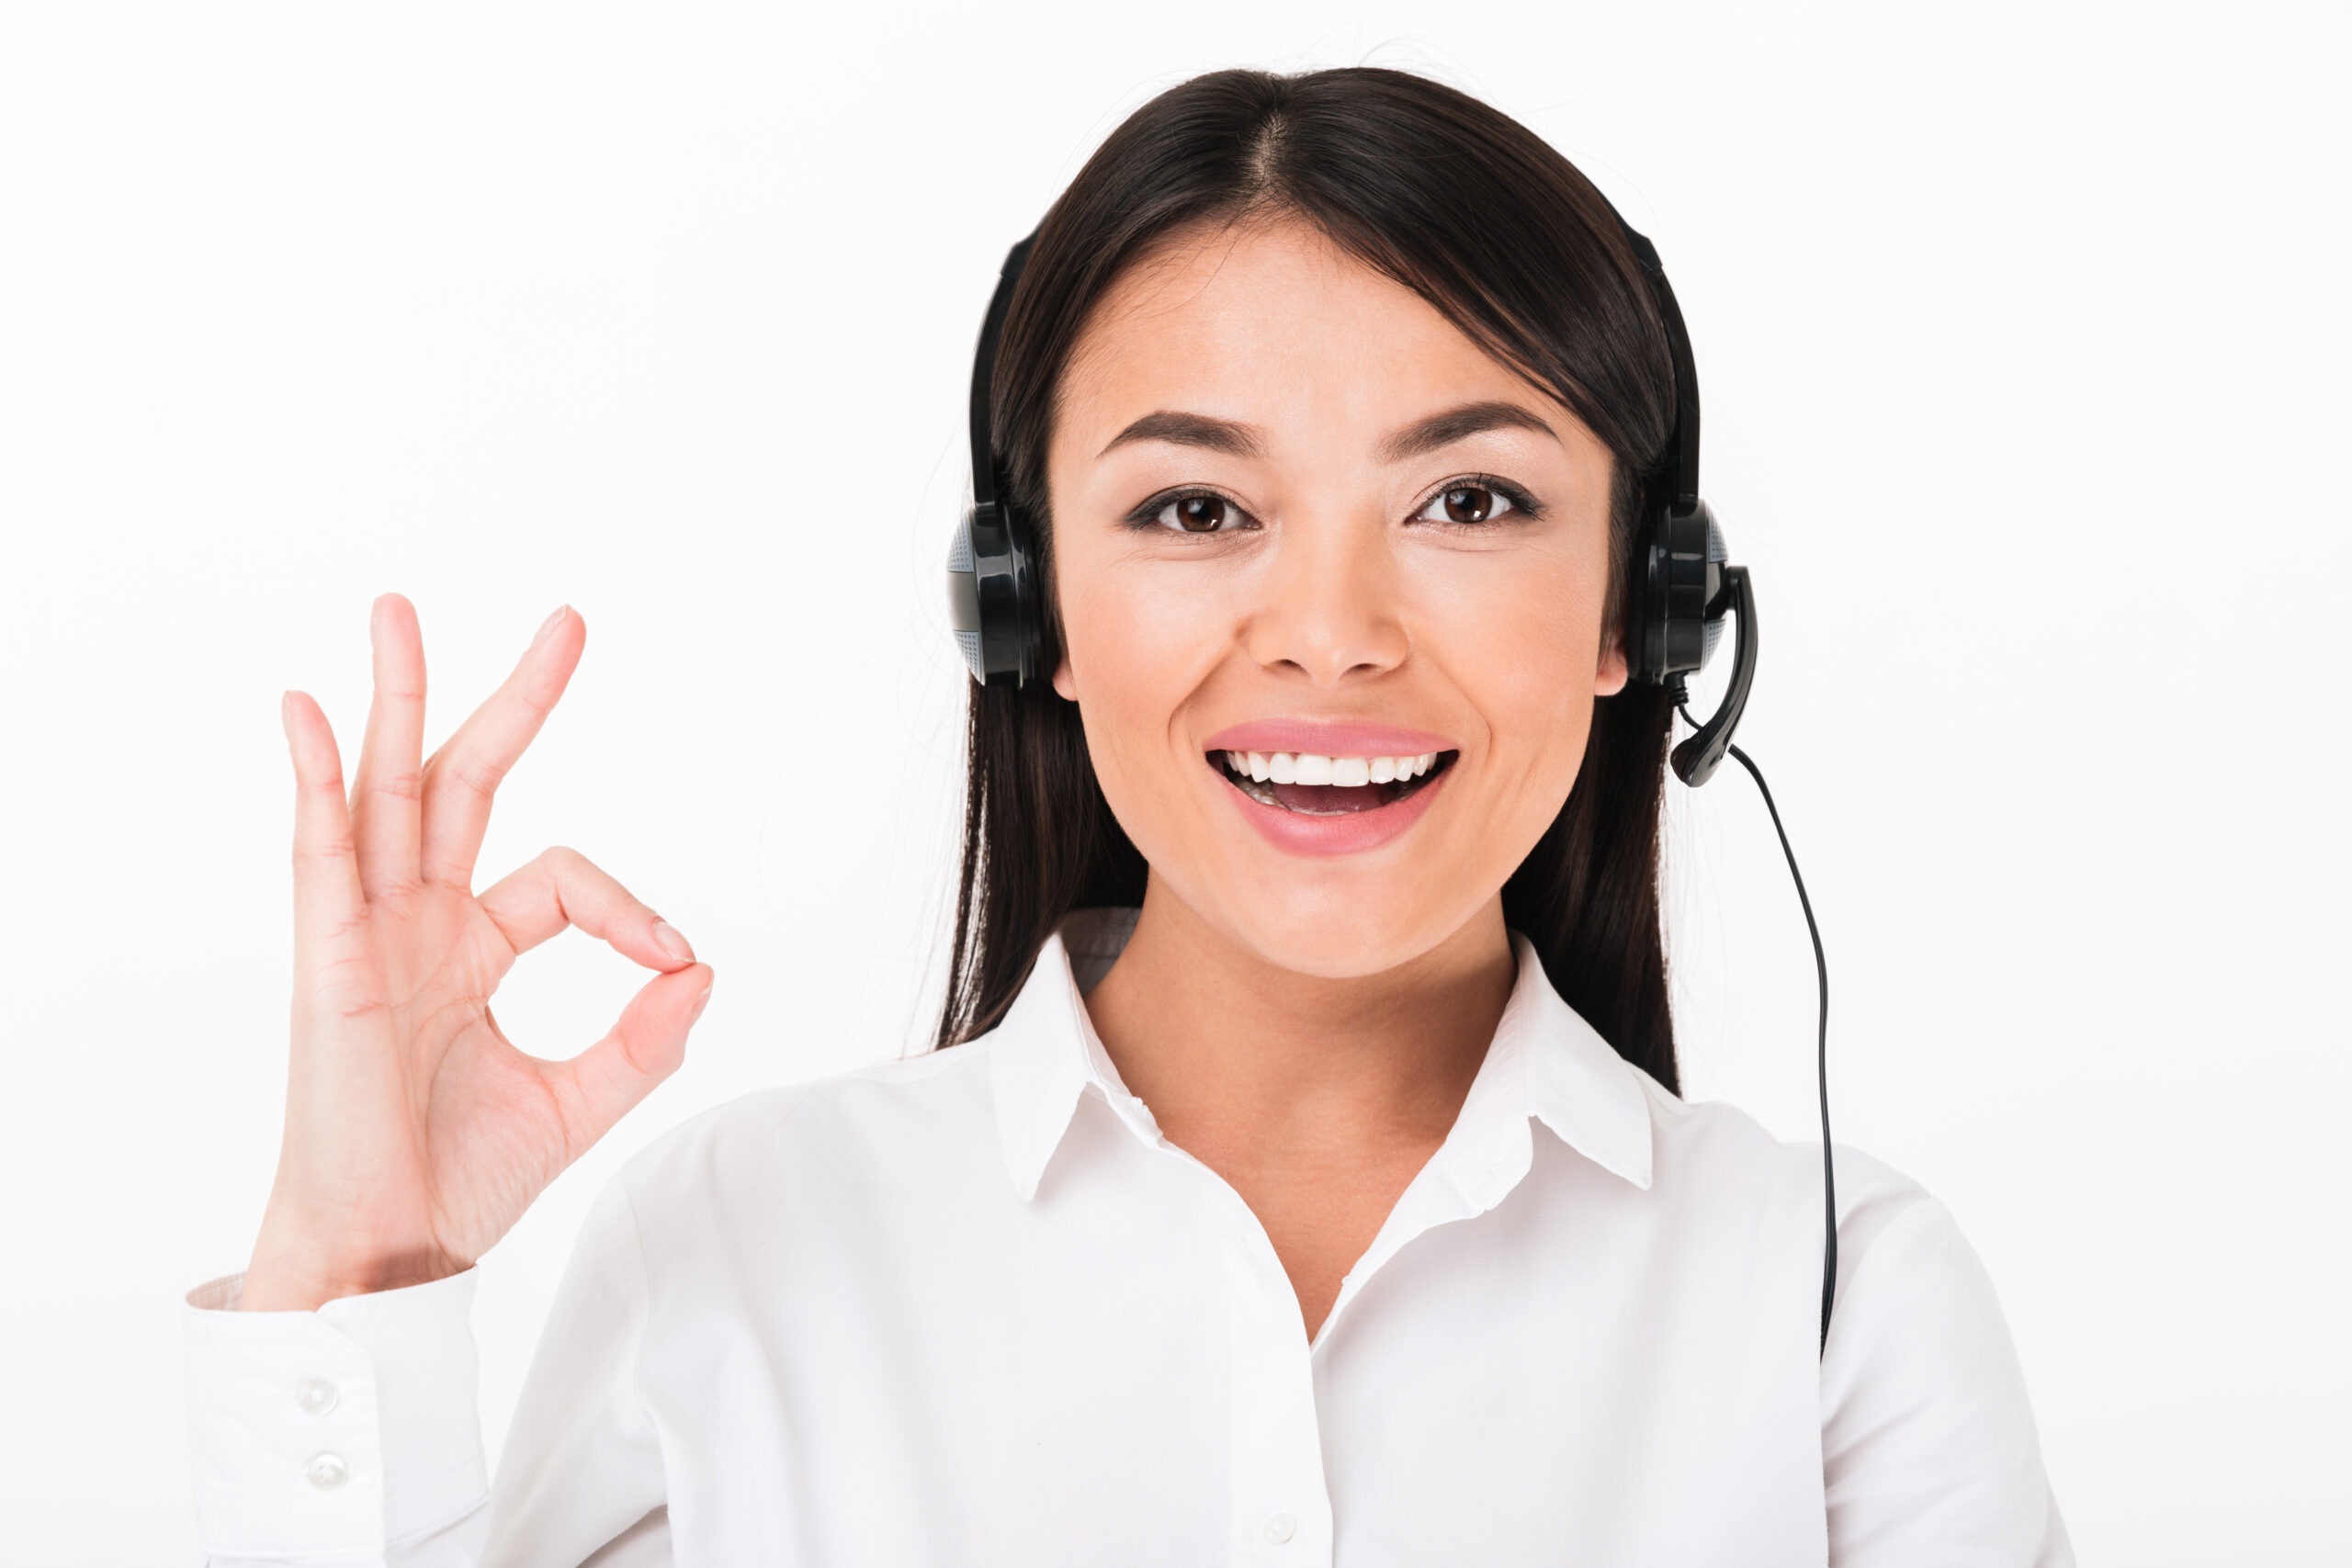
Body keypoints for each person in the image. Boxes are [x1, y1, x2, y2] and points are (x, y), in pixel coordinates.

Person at [181, 67, 2072, 1566]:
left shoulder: (1832, 1300)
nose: (1329, 633)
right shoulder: (736, 1246)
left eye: (1469, 501)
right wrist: (352, 1272)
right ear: (1029, 613)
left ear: (1636, 611)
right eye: (1191, 509)